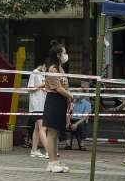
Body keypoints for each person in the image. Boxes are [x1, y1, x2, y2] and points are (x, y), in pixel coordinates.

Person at [40, 43, 74, 173]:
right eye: (64, 52)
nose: (66, 55)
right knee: (52, 133)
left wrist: (69, 97)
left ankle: (55, 161)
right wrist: (70, 96)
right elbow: (58, 88)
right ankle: (51, 162)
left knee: (56, 133)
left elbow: (65, 86)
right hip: (54, 101)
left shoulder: (60, 68)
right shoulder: (53, 69)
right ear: (58, 55)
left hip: (61, 101)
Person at [28, 58, 48, 159]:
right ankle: (49, 151)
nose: (46, 68)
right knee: (42, 128)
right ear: (43, 64)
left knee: (37, 128)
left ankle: (34, 150)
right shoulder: (34, 73)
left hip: (42, 104)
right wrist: (42, 86)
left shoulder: (43, 74)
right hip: (37, 105)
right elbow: (30, 89)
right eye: (46, 66)